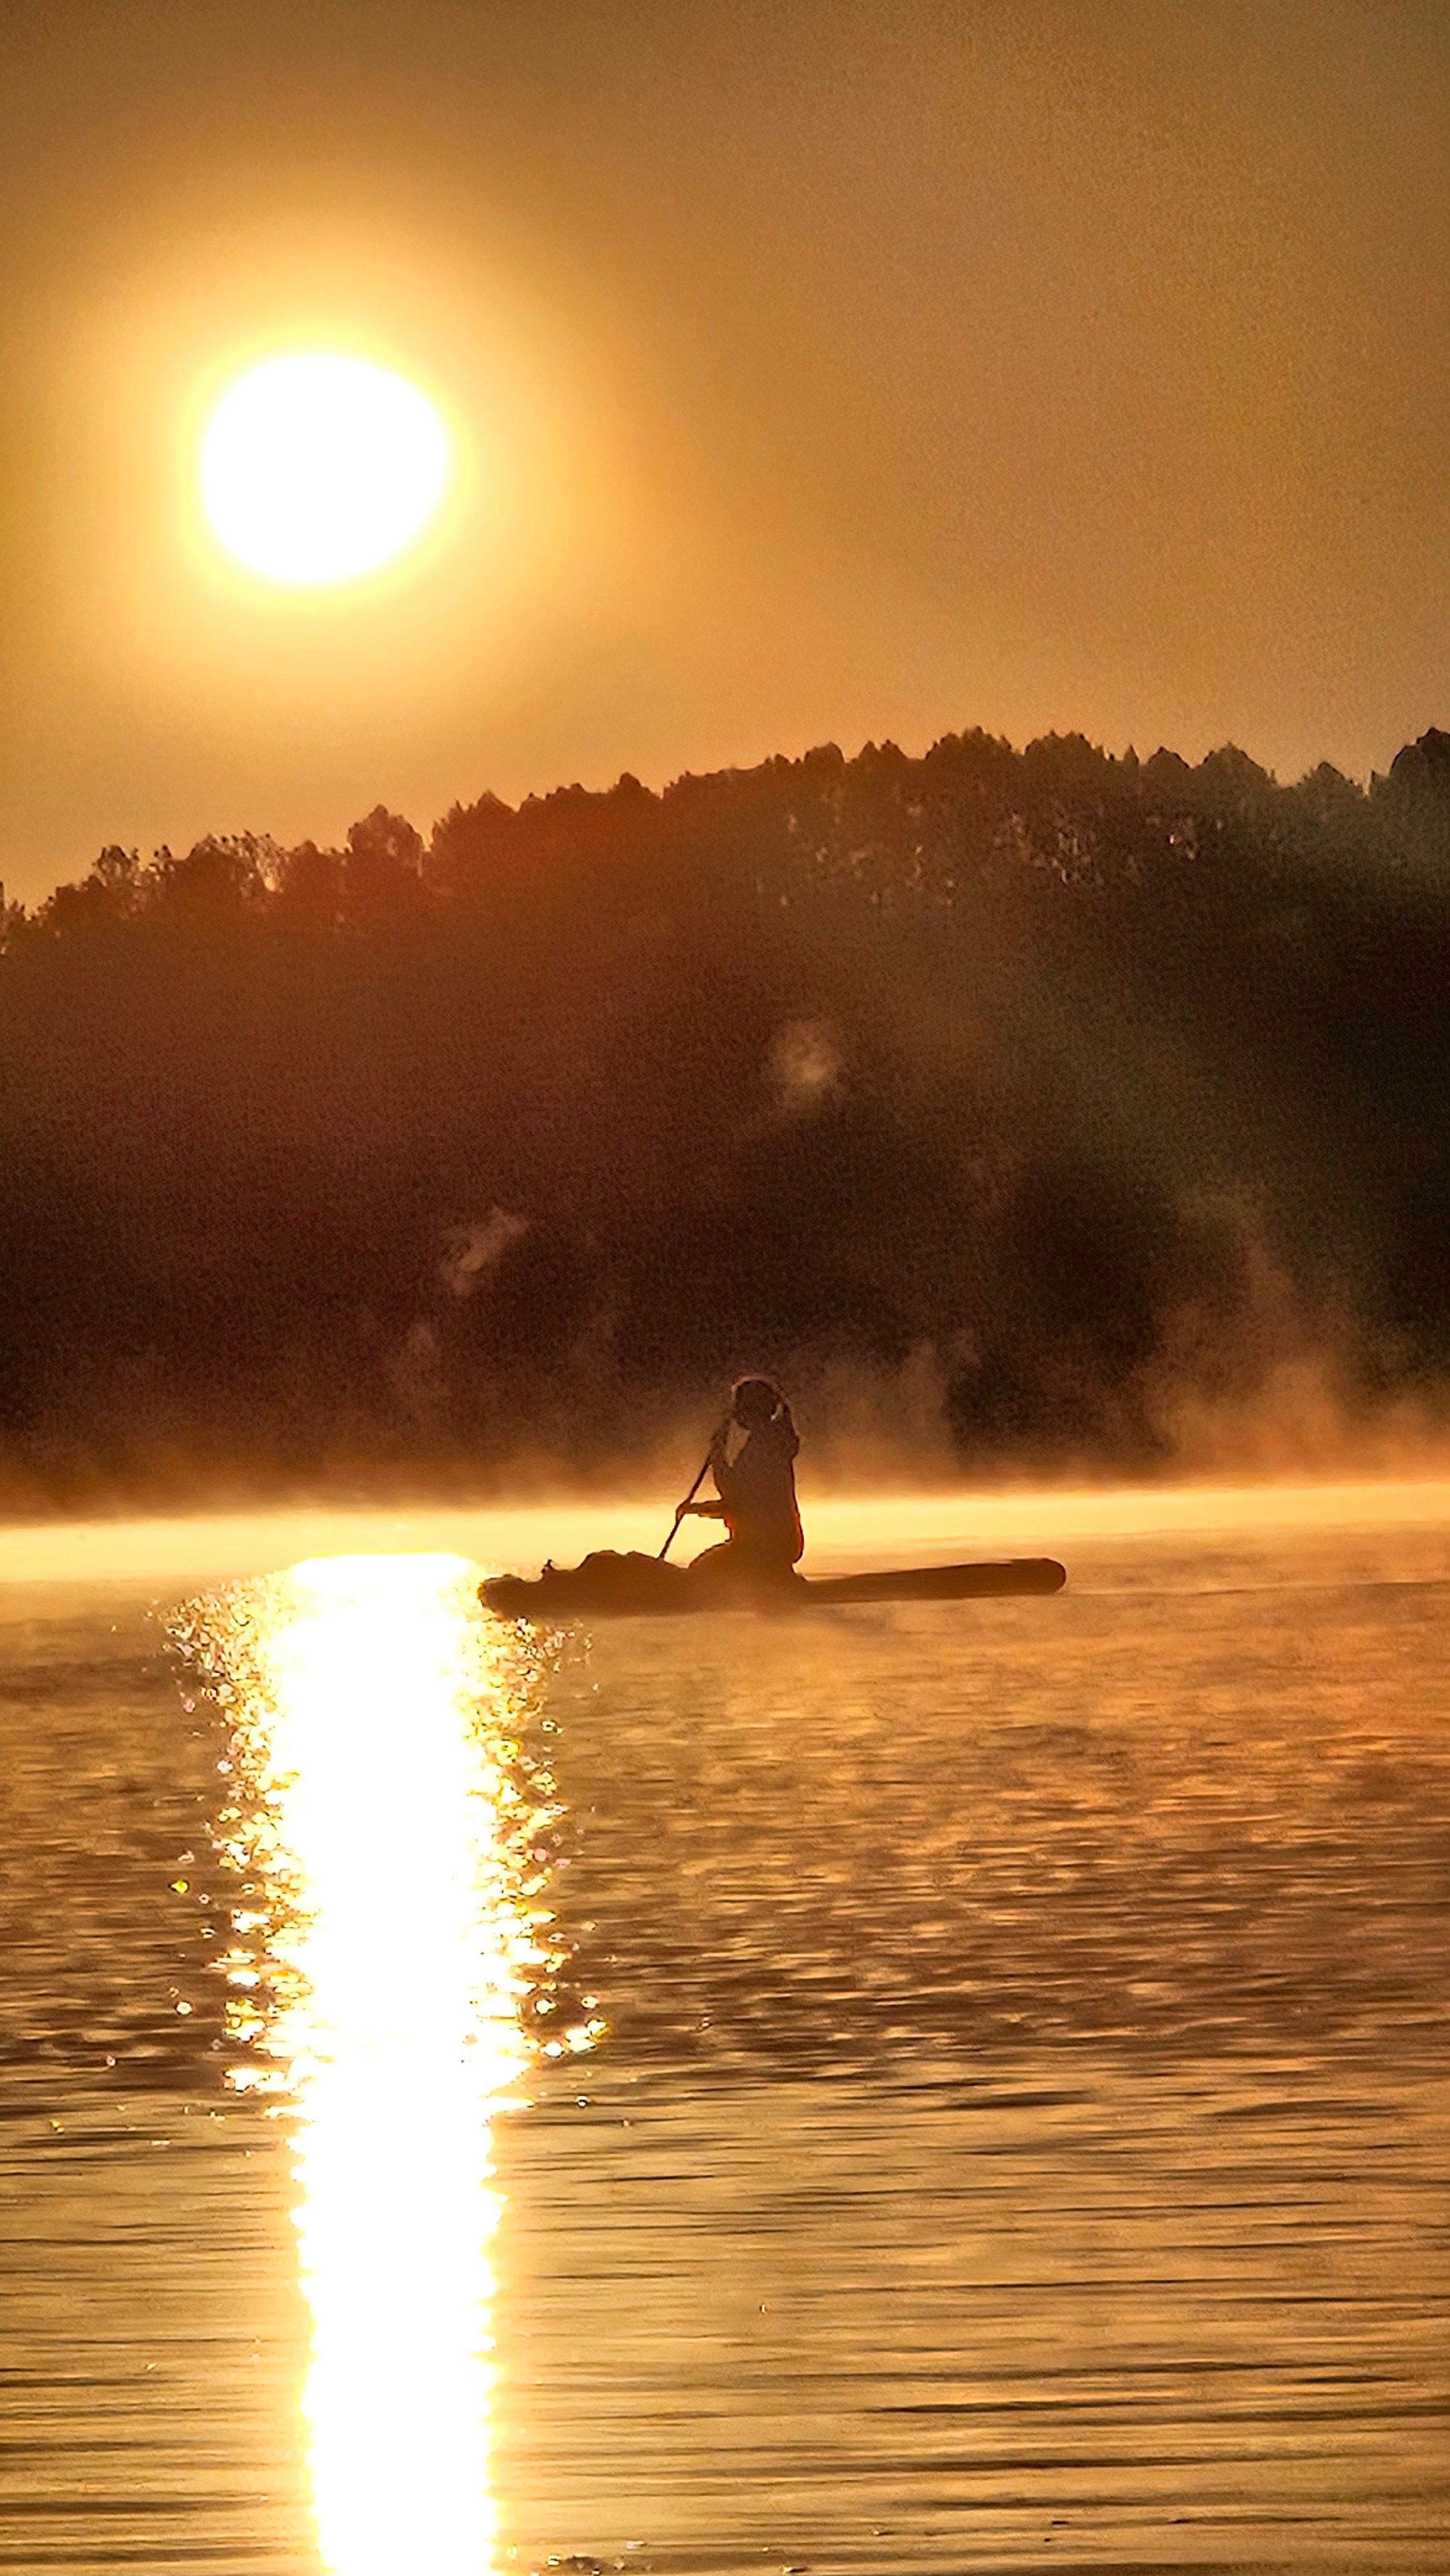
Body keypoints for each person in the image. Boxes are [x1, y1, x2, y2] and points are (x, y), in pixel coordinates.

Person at [678, 1376, 805, 1587]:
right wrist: (718, 1456)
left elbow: (738, 1502)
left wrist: (695, 1509)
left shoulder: (765, 1446)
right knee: (704, 1568)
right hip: (777, 1544)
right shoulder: (769, 1441)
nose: (733, 1414)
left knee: (699, 1574)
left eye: (737, 1407)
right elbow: (734, 1491)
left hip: (761, 1547)